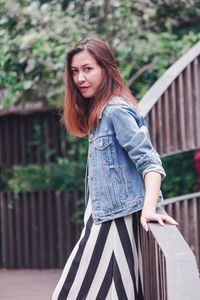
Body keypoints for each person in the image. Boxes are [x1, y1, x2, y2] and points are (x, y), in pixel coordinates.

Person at [51, 37, 178, 300]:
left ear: (106, 68)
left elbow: (151, 162)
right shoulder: (99, 110)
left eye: (88, 69)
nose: (80, 78)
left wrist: (148, 209)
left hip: (113, 225)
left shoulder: (115, 109)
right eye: (75, 71)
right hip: (102, 219)